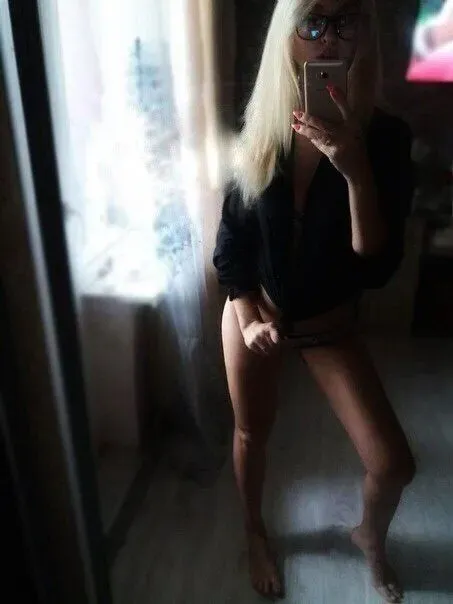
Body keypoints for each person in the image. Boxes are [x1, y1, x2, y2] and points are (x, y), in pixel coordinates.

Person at [213, 0, 416, 602]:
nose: (329, 37)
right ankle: (254, 530)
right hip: (257, 309)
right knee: (251, 431)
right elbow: (232, 246)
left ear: (364, 33)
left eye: (345, 21)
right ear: (289, 36)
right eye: (312, 23)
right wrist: (247, 319)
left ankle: (369, 537)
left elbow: (377, 267)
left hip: (330, 325)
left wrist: (355, 171)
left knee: (393, 463)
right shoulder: (264, 129)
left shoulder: (385, 138)